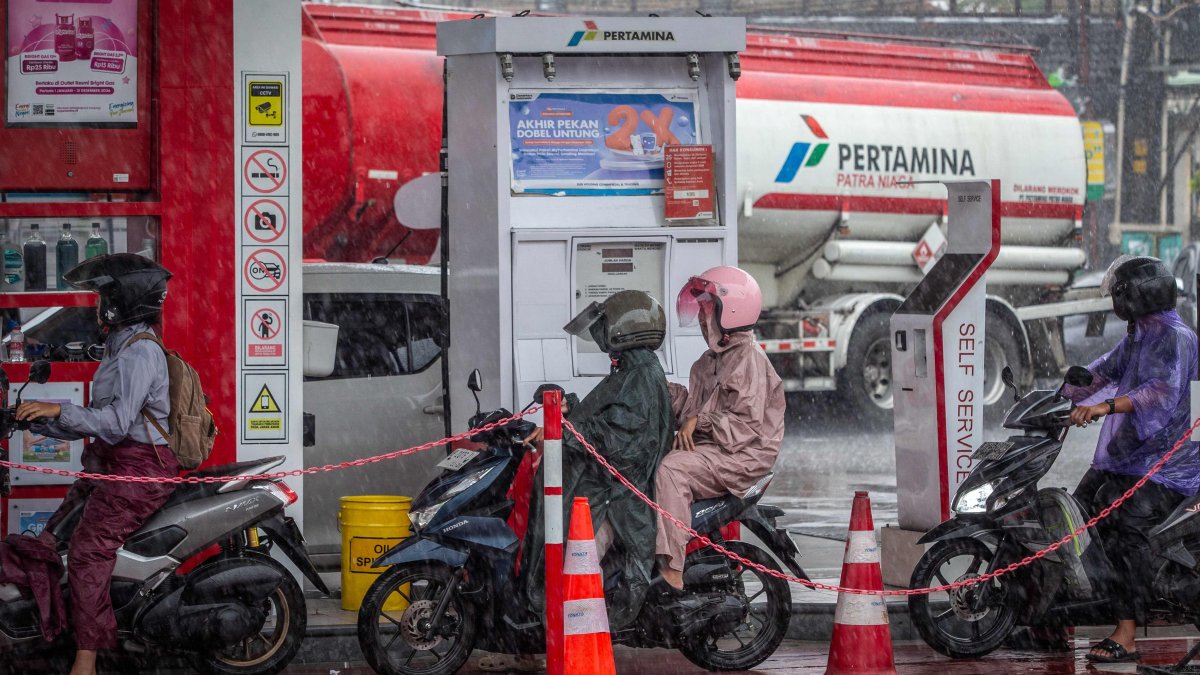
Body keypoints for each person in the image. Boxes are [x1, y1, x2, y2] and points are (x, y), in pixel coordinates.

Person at [480, 291, 673, 673]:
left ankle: (579, 633)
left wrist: (565, 429)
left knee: (574, 558)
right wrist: (566, 407)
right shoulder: (631, 372)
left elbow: (618, 442)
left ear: (623, 333)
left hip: (616, 495)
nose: (601, 341)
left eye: (605, 332)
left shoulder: (640, 378)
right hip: (601, 484)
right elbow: (604, 418)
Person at [15, 254, 178, 675]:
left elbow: (116, 423)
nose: (100, 304)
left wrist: (58, 410)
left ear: (126, 301)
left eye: (106, 296)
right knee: (53, 538)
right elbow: (98, 422)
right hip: (110, 465)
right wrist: (39, 421)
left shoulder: (139, 354)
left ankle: (86, 658)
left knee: (87, 551)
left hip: (138, 473)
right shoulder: (119, 347)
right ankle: (45, 628)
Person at [1062, 255, 1199, 664]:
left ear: (1137, 295)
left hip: (1167, 463)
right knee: (1075, 511)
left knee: (1126, 530)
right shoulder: (1142, 330)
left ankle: (1127, 633)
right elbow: (1109, 367)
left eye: (1120, 293)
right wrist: (1064, 394)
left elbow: (1161, 392)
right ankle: (1059, 616)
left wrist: (1104, 408)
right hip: (1133, 455)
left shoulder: (1176, 335)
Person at [655, 266, 785, 591]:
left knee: (671, 470)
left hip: (741, 457)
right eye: (699, 309)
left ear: (732, 311)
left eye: (707, 309)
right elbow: (691, 412)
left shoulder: (749, 361)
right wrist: (654, 388)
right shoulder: (707, 362)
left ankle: (671, 569)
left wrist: (701, 421)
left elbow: (746, 426)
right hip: (713, 450)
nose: (700, 317)